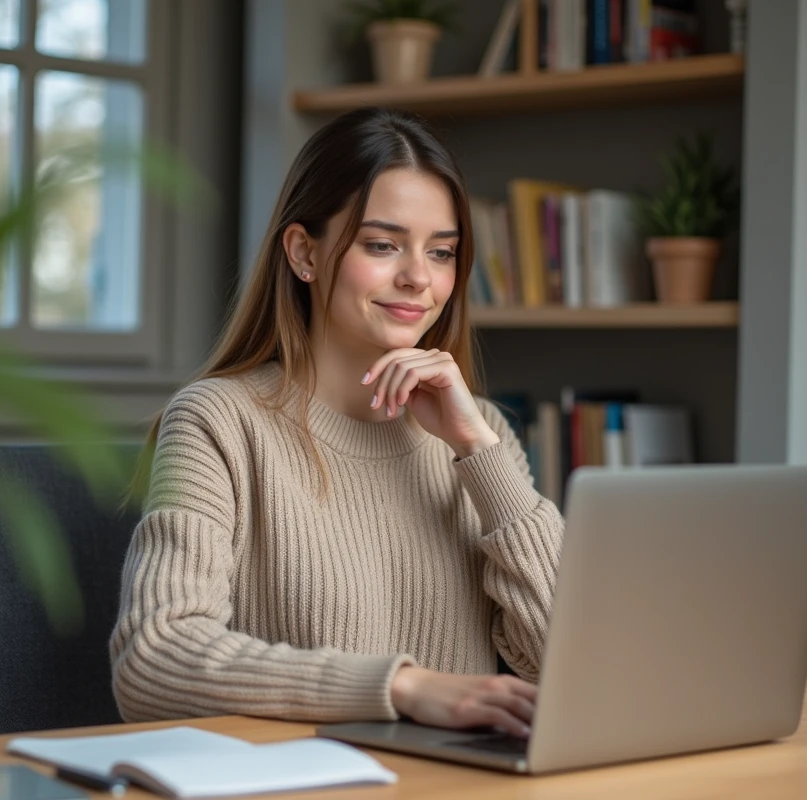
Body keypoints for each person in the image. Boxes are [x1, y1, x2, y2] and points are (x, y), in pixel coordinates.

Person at [110, 107, 564, 739]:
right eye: (382, 245)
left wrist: (478, 452)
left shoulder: (481, 432)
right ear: (304, 252)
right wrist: (402, 687)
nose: (418, 278)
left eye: (442, 252)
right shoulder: (217, 422)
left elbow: (563, 667)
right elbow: (153, 659)